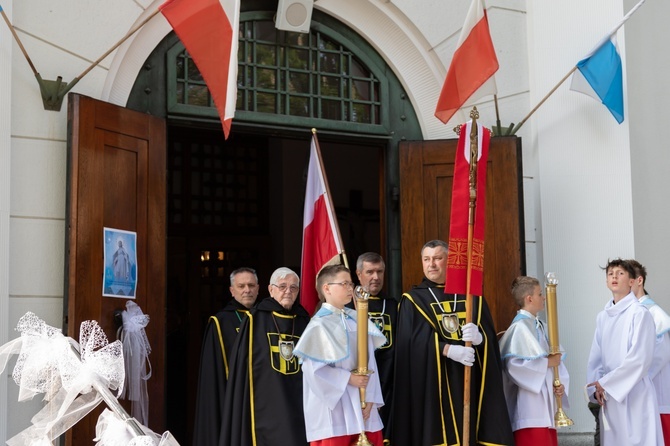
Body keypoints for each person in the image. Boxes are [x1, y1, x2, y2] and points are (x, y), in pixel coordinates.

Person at [391, 239, 514, 446]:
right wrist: (447, 350)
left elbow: (490, 344)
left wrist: (480, 337)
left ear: (449, 262)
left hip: (469, 381)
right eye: (427, 259)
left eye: (438, 258)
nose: (431, 264)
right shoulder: (412, 300)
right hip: (433, 387)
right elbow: (408, 344)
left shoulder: (471, 297)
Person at [295, 264, 387, 446]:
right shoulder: (318, 326)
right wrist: (348, 379)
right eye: (344, 284)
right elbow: (313, 371)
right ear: (326, 288)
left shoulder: (358, 317)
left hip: (363, 404)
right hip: (335, 407)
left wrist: (371, 398)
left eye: (350, 284)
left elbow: (371, 362)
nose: (350, 289)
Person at [219, 267, 310, 446]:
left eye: (293, 288)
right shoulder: (255, 320)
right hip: (265, 402)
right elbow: (242, 370)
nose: (288, 291)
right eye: (282, 286)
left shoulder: (304, 320)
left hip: (299, 398)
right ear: (270, 289)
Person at [586, 258, 663, 446]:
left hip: (635, 393)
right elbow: (596, 358)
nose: (614, 277)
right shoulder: (603, 317)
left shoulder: (640, 313)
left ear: (631, 281)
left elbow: (640, 359)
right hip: (609, 395)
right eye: (610, 274)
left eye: (620, 273)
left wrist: (606, 383)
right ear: (606, 282)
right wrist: (595, 388)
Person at [192, 267, 259, 446]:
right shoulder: (220, 322)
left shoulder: (265, 318)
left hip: (260, 396)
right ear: (232, 290)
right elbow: (213, 371)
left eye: (251, 285)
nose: (247, 290)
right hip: (232, 395)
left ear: (258, 288)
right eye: (241, 286)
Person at [499, 276, 569, 446]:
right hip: (530, 405)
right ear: (529, 299)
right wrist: (547, 363)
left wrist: (558, 384)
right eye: (540, 294)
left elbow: (555, 361)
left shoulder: (542, 325)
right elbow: (513, 367)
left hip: (547, 404)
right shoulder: (519, 328)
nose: (544, 297)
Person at [349, 252, 396, 444]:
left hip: (390, 381)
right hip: (359, 385)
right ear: (358, 274)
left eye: (379, 272)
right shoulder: (347, 306)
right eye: (369, 272)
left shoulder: (394, 305)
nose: (375, 277)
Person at [629, 259, 670, 444]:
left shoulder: (655, 314)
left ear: (639, 281)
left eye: (627, 280)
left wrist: (630, 383)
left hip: (654, 395)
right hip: (634, 393)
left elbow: (658, 358)